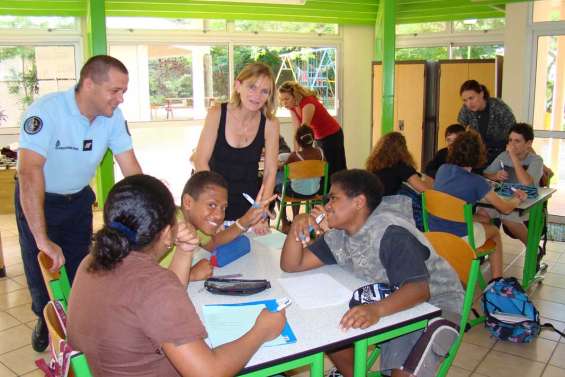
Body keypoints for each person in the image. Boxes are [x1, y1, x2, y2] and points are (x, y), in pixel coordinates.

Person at [67, 174, 285, 377]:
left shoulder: (91, 261)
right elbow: (209, 372)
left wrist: (184, 250)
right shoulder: (154, 285)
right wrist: (261, 331)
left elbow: (166, 298)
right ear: (165, 234)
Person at [280, 169, 464, 377]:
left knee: (402, 372)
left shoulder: (392, 233)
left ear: (358, 202)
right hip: (391, 299)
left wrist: (376, 310)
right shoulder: (340, 233)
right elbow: (292, 264)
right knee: (331, 335)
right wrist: (297, 226)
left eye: (333, 199)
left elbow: (420, 290)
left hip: (435, 306)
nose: (327, 206)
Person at [15, 55, 142, 352]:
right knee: (42, 268)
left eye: (124, 91)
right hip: (38, 199)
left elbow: (130, 167)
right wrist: (42, 238)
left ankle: (74, 323)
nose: (120, 99)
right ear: (88, 84)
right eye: (115, 91)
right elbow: (29, 171)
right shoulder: (46, 112)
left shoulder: (113, 117)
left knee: (78, 267)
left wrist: (153, 210)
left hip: (78, 203)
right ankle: (43, 318)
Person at [194, 62, 280, 235]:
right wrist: (214, 208)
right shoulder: (217, 113)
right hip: (214, 198)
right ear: (238, 85)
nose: (257, 96)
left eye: (264, 91)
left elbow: (270, 171)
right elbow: (200, 161)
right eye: (252, 87)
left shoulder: (270, 123)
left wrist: (261, 210)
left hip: (248, 203)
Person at [430, 131, 526, 279]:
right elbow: (505, 209)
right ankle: (497, 280)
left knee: (484, 219)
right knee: (494, 231)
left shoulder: (442, 170)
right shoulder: (477, 182)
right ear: (479, 154)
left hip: (435, 232)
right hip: (459, 237)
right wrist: (517, 199)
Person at [481, 123, 544, 246]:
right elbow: (486, 174)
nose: (512, 144)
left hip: (524, 202)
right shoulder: (503, 156)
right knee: (481, 213)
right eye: (510, 140)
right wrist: (496, 176)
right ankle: (485, 250)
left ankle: (534, 249)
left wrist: (514, 157)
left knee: (508, 218)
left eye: (517, 141)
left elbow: (526, 183)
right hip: (503, 198)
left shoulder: (536, 160)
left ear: (528, 143)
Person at [278, 81, 346, 177]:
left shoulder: (308, 103)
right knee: (322, 169)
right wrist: (296, 153)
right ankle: (326, 190)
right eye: (282, 100)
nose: (284, 103)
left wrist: (300, 155)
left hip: (332, 135)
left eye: (286, 99)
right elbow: (297, 130)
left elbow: (304, 130)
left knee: (334, 168)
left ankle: (339, 190)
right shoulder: (292, 107)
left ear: (295, 96)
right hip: (319, 136)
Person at [276, 125, 325, 230]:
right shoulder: (320, 153)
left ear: (298, 142)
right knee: (297, 185)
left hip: (297, 192)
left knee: (279, 188)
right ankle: (296, 219)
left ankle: (285, 223)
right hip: (315, 192)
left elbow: (284, 170)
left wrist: (279, 164)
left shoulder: (295, 156)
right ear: (313, 139)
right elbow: (325, 166)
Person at [457, 80, 516, 166]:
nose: (469, 104)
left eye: (471, 98)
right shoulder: (466, 109)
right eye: (465, 100)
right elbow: (459, 129)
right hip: (477, 152)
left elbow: (513, 130)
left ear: (481, 94)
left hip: (500, 151)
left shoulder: (497, 106)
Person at [366, 132, 431, 196]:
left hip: (374, 203)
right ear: (402, 148)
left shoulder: (373, 165)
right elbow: (425, 189)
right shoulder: (401, 166)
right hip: (391, 204)